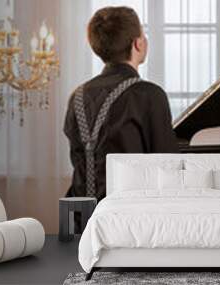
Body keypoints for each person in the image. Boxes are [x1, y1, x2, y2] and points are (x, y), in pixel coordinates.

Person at [64, 6, 179, 203]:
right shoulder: (149, 95)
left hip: (79, 218)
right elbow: (168, 168)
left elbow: (78, 158)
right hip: (130, 216)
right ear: (138, 44)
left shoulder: (77, 95)